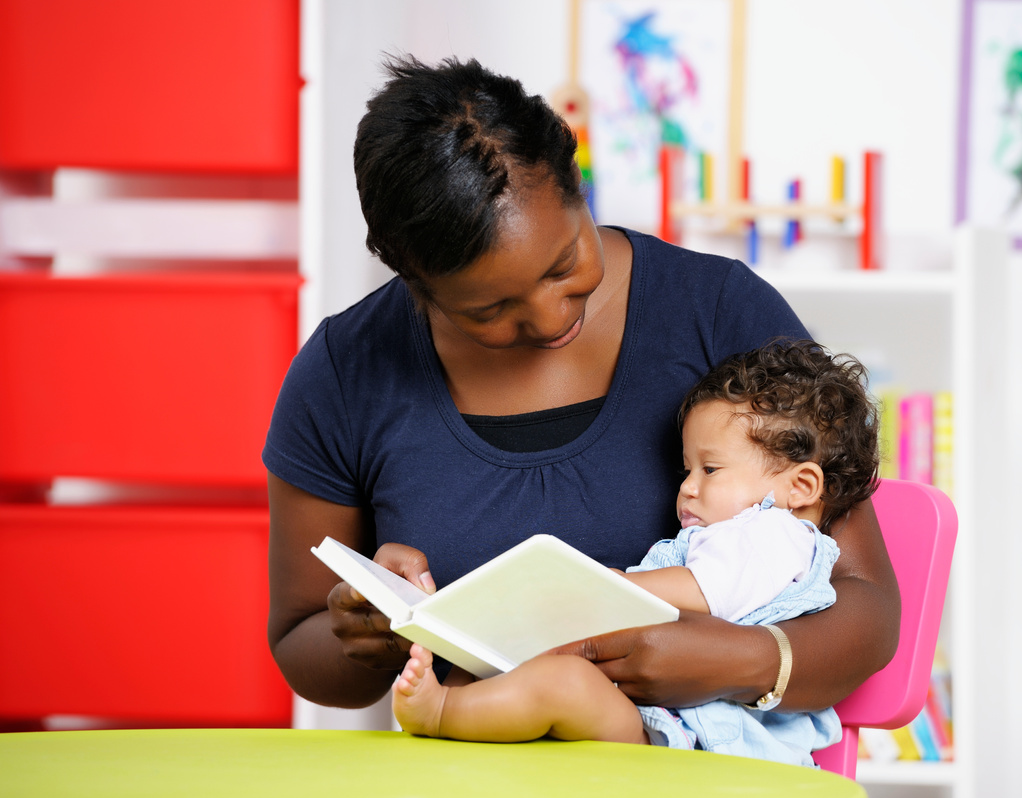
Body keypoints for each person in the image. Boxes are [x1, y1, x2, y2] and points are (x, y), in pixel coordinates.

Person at [263, 55, 898, 729]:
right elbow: (299, 641)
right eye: (490, 309)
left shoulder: (717, 313)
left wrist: (736, 660)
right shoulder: (345, 372)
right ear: (417, 286)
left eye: (565, 264)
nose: (550, 317)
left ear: (577, 186)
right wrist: (367, 630)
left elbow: (868, 604)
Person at [391, 339, 881, 766]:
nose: (687, 489)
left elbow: (706, 592)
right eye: (686, 470)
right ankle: (456, 717)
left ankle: (441, 714)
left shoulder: (777, 535)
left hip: (704, 744)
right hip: (664, 728)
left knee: (561, 684)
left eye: (710, 470)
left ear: (801, 485)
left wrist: (609, 586)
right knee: (508, 667)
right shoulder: (738, 533)